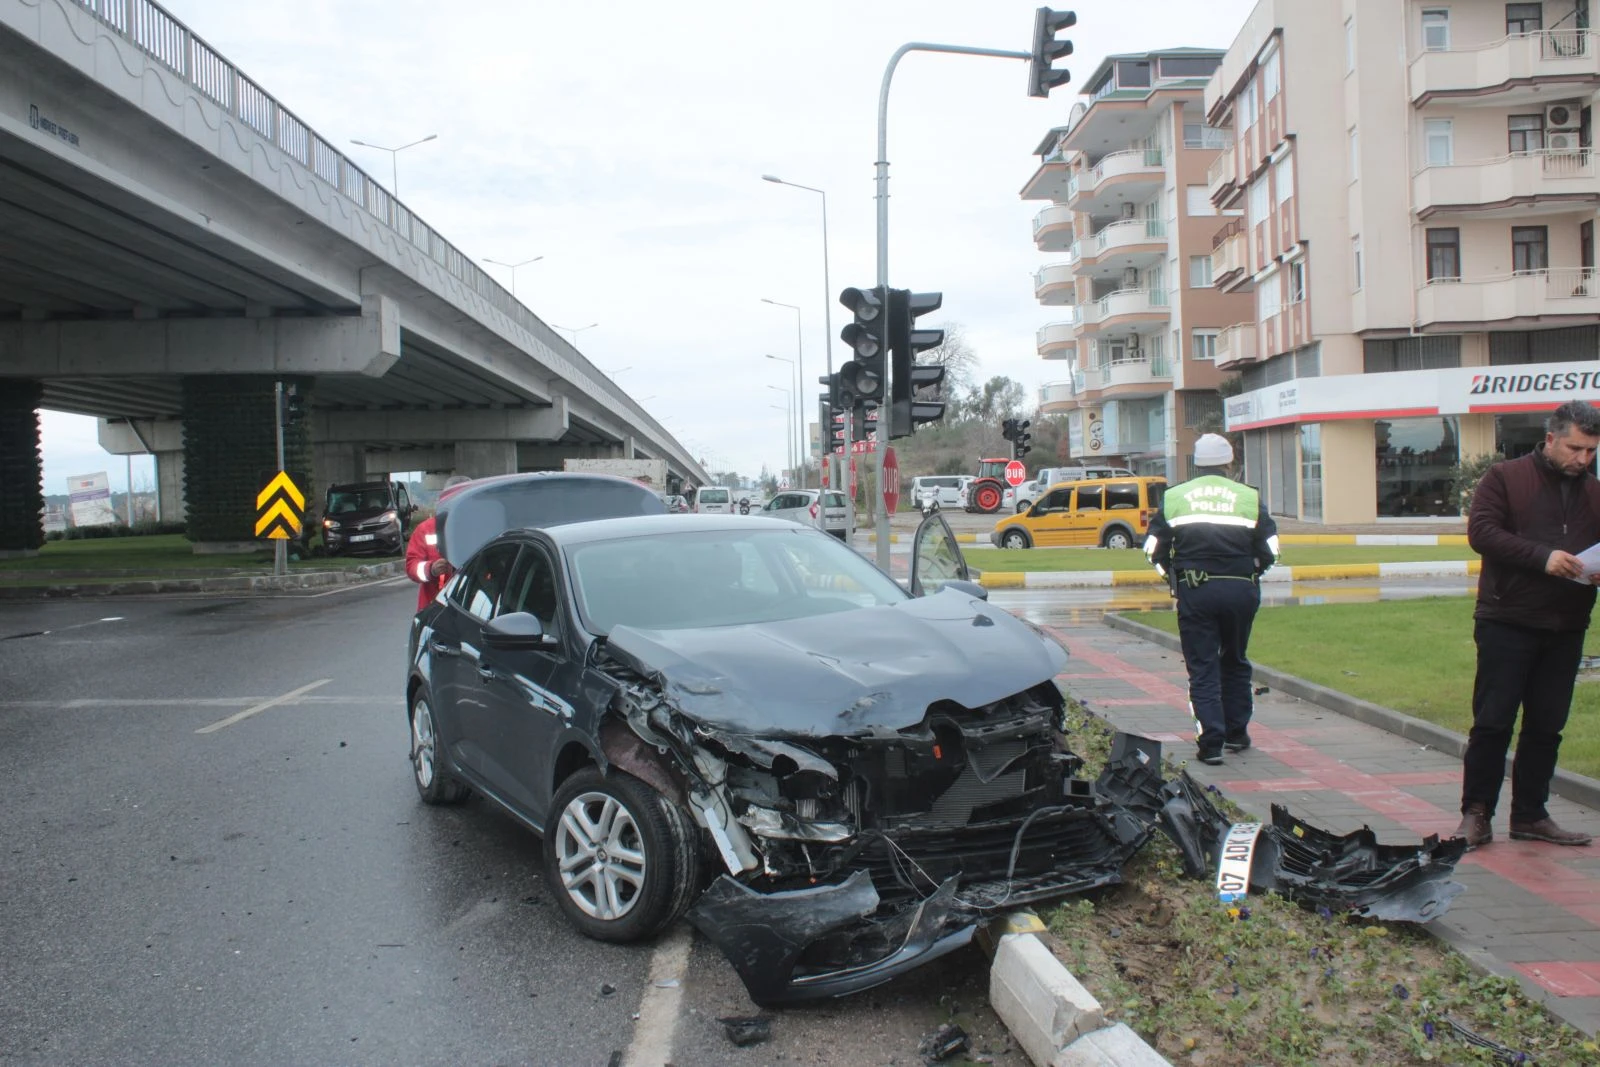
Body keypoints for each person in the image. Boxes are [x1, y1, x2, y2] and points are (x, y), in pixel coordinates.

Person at [1455, 400, 1600, 849]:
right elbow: (1482, 532)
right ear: (1551, 438)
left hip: (1567, 623)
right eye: (1576, 448)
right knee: (1493, 722)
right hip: (1507, 619)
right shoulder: (1505, 477)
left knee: (1546, 725)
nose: (1583, 459)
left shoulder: (1594, 491)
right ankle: (1476, 814)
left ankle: (1531, 815)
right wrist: (1543, 557)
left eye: (1592, 451)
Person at [1144, 433, 1279, 765]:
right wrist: (1252, 575)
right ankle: (1237, 732)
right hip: (1241, 590)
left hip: (1196, 591)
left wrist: (1171, 576)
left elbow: (1152, 549)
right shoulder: (1248, 497)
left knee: (1203, 666)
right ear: (1229, 463)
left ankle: (1211, 743)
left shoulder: (1176, 496)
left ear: (1196, 464)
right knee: (1235, 659)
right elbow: (1271, 549)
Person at [405, 475, 472, 611]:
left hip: (473, 608)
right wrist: (431, 569)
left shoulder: (479, 528)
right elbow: (412, 566)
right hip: (434, 608)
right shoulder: (426, 529)